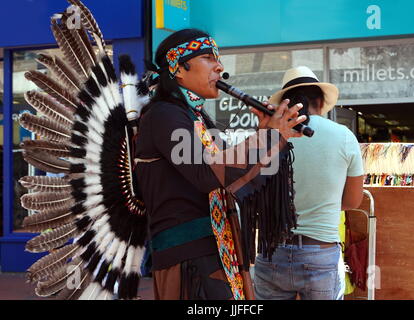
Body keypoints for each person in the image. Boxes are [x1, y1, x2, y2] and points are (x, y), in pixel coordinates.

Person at [134, 29, 307, 300]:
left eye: (218, 58)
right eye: (207, 57)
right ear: (178, 68)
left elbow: (230, 175)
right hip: (188, 259)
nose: (220, 67)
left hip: (216, 251)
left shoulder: (196, 117)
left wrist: (264, 133)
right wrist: (268, 137)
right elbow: (206, 173)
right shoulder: (163, 115)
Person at [254, 66, 364, 300]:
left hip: (272, 250)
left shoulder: (268, 136)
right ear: (321, 100)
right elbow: (353, 201)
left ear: (286, 103)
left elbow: (252, 189)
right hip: (320, 252)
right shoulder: (343, 136)